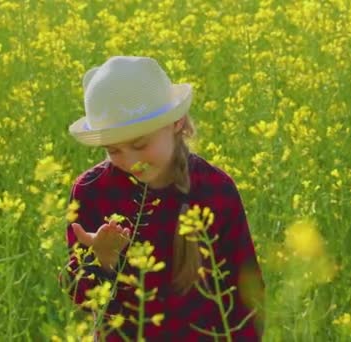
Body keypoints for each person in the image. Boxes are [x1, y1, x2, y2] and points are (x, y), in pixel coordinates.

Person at [63, 56, 265, 340]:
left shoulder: (215, 188)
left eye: (140, 144)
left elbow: (248, 296)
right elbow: (82, 296)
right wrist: (103, 259)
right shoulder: (91, 190)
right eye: (114, 150)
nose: (131, 160)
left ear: (176, 123)